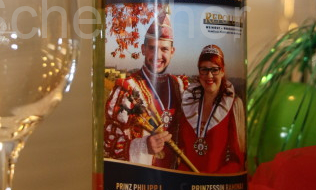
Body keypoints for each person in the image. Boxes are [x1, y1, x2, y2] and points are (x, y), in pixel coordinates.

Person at [104, 11, 188, 168]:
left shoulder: (180, 86)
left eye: (164, 49)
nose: (158, 56)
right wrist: (143, 146)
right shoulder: (127, 89)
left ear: (172, 52)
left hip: (176, 176)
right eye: (152, 48)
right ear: (143, 49)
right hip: (142, 178)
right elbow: (109, 142)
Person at [178, 44, 245, 173]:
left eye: (214, 70)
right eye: (204, 69)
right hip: (186, 181)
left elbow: (237, 159)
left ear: (222, 71)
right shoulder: (188, 102)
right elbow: (180, 146)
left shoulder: (233, 105)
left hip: (216, 182)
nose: (209, 75)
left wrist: (213, 180)